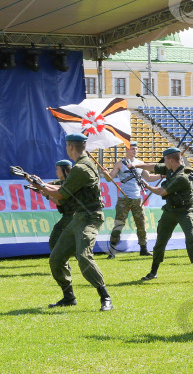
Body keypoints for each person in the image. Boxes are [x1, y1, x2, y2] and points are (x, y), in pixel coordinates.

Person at [34, 133, 112, 311]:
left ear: (70, 147)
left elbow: (61, 195)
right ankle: (69, 297)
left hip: (90, 218)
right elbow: (62, 187)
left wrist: (40, 186)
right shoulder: (83, 165)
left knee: (83, 256)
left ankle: (105, 297)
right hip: (79, 217)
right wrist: (40, 184)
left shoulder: (81, 168)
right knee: (56, 258)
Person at [133, 148, 193, 282]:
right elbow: (154, 166)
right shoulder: (170, 169)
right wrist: (137, 165)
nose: (163, 162)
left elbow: (162, 191)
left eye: (165, 159)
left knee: (192, 238)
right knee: (161, 241)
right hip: (170, 211)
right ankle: (153, 272)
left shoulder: (181, 176)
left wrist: (146, 185)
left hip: (184, 212)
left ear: (171, 160)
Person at [107, 141, 157, 258]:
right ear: (126, 149)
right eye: (132, 149)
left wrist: (162, 176)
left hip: (137, 198)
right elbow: (110, 178)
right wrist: (106, 173)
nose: (135, 151)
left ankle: (143, 248)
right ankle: (112, 251)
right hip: (123, 198)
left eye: (136, 149)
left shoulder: (140, 163)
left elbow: (148, 178)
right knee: (118, 224)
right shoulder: (120, 163)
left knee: (141, 223)